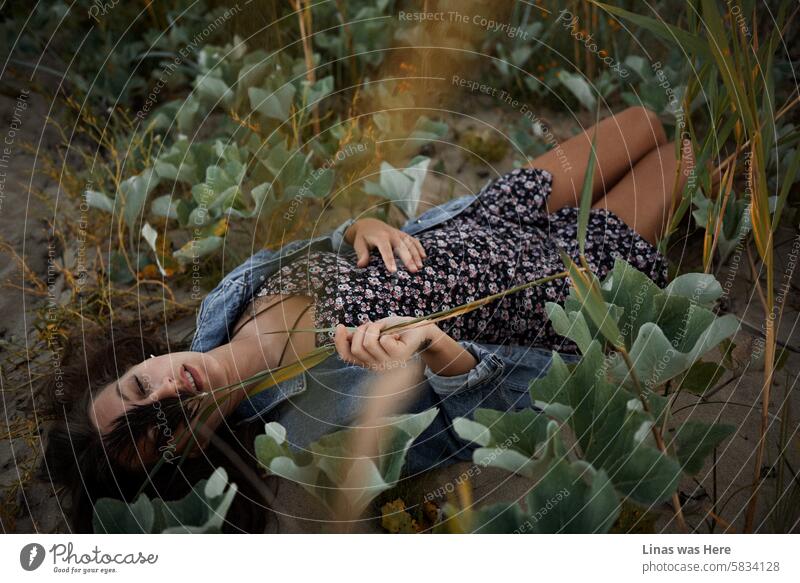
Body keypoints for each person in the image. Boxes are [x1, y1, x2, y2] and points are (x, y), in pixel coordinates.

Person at [41, 106, 698, 532]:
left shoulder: (220, 308)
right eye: (161, 423)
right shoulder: (315, 437)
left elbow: (321, 252)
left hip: (479, 217)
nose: (168, 387)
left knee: (643, 122)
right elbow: (493, 415)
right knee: (690, 161)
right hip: (551, 282)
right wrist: (439, 350)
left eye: (136, 385)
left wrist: (361, 224)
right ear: (189, 458)